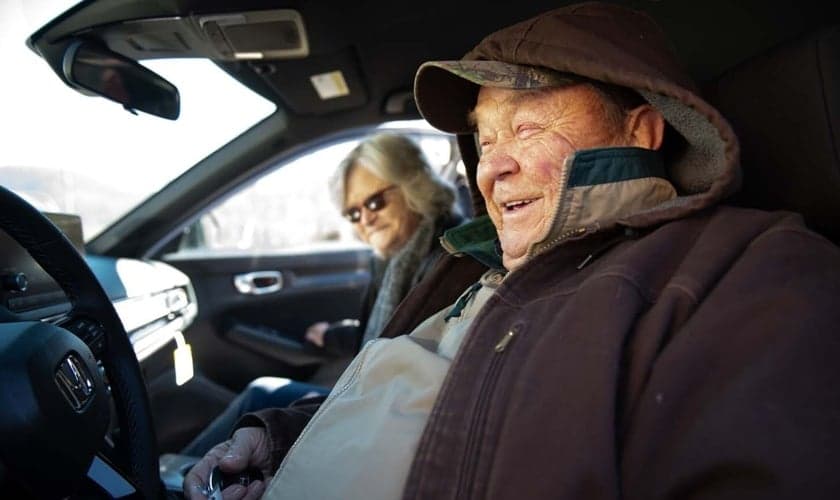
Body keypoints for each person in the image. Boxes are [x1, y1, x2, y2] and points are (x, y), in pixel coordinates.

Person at [184, 3, 840, 499]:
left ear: (639, 129)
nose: (489, 172)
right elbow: (422, 395)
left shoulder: (751, 267)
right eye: (484, 140)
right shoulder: (477, 269)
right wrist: (281, 445)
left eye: (526, 126)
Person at [180, 132, 463, 457]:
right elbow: (385, 332)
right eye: (353, 213)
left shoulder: (447, 261)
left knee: (261, 395)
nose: (365, 219)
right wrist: (332, 335)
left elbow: (411, 358)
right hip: (369, 396)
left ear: (413, 185)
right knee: (262, 397)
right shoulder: (396, 258)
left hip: (385, 419)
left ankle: (177, 478)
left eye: (374, 202)